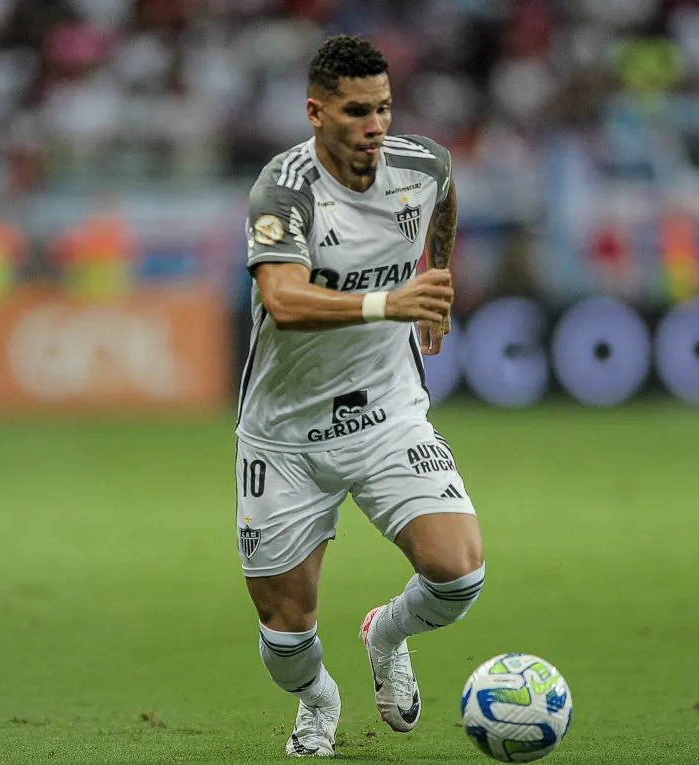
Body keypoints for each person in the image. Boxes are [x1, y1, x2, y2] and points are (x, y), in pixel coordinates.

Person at [235, 35, 485, 758]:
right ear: (317, 113)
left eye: (383, 108)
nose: (375, 125)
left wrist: (436, 282)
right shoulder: (281, 190)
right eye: (355, 111)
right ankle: (317, 701)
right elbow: (282, 297)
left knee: (460, 571)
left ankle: (387, 633)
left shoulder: (423, 163)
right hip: (284, 436)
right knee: (287, 632)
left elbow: (446, 198)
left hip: (386, 411)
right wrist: (393, 302)